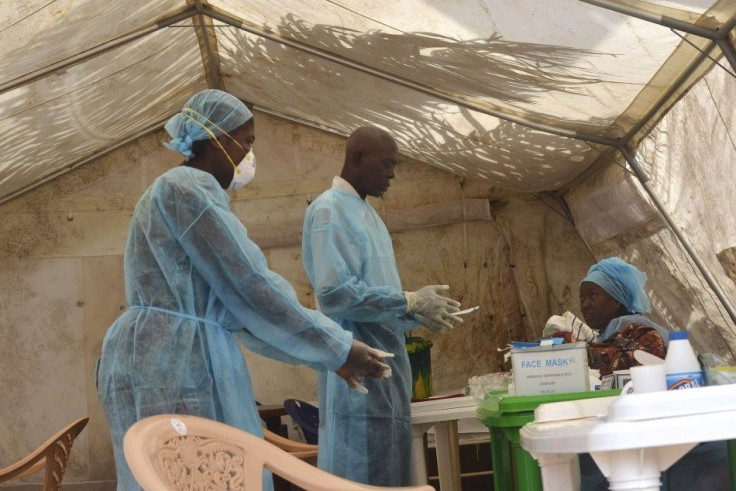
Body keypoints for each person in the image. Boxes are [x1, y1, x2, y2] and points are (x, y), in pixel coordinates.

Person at [96, 90, 392, 491]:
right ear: (216, 138)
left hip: (162, 352)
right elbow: (252, 285)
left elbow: (239, 312)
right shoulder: (188, 190)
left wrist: (327, 355)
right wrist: (338, 346)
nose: (249, 155)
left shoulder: (183, 191)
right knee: (197, 473)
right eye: (247, 141)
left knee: (182, 475)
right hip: (171, 361)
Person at [301, 125, 464, 486]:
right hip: (356, 378)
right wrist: (407, 300)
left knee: (389, 476)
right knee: (360, 477)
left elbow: (374, 301)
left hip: (386, 375)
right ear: (357, 158)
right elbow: (335, 294)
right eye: (387, 164)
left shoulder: (366, 214)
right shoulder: (330, 211)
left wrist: (414, 313)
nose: (392, 174)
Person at [547, 257, 728, 490]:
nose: (586, 304)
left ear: (617, 301)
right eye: (582, 298)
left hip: (671, 433)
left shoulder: (637, 328)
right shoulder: (608, 331)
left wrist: (570, 347)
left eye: (593, 296)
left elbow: (618, 357)